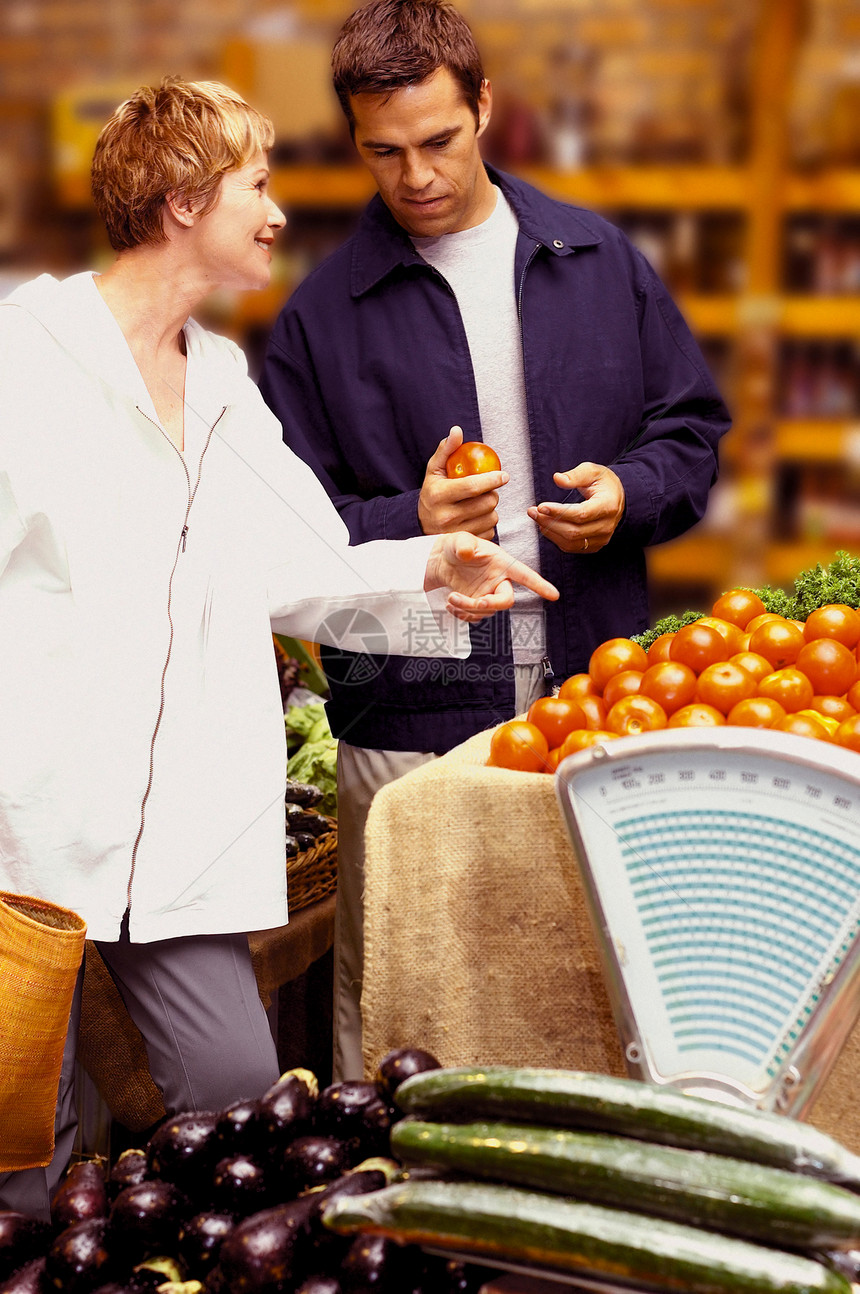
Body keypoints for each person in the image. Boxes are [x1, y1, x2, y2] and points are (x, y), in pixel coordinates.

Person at [0, 75, 557, 1219]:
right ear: (182, 198)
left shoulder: (223, 381)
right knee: (19, 1155)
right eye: (257, 184)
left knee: (245, 1109)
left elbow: (295, 559)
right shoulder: (27, 360)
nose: (278, 212)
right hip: (28, 835)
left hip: (181, 841)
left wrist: (429, 566)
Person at [259, 0, 732, 1082]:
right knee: (400, 1000)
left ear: (483, 106)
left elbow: (690, 429)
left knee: (587, 985)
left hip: (592, 693)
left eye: (438, 141)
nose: (414, 175)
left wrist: (632, 488)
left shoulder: (593, 257)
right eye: (382, 153)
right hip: (409, 714)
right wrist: (406, 524)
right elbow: (281, 531)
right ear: (353, 140)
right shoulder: (320, 316)